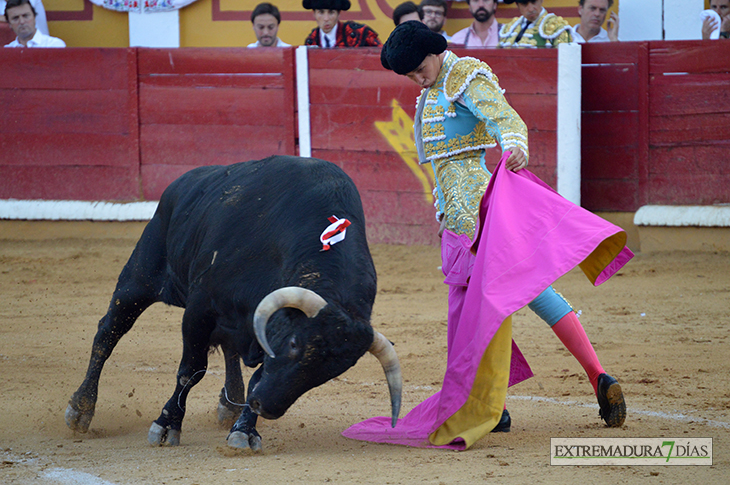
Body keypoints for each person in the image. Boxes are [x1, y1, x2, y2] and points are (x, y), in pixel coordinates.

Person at [343, 21, 630, 450]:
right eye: (411, 75)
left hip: (482, 209)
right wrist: (443, 212)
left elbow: (504, 118)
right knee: (522, 293)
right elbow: (443, 172)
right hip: (457, 219)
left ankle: (504, 399)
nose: (418, 79)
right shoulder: (434, 89)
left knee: (489, 303)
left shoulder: (464, 77)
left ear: (437, 53)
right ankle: (577, 381)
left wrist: (515, 146)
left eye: (421, 68)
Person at [303, 0, 381, 47]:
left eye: (331, 13)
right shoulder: (311, 41)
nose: (326, 18)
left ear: (338, 14)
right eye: (321, 12)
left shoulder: (360, 34)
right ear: (314, 13)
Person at [499, 0, 572, 47]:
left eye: (533, 1)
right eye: (524, 4)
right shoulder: (510, 28)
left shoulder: (558, 28)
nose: (530, 9)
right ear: (517, 5)